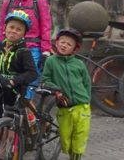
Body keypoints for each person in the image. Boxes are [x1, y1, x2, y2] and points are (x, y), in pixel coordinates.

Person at [0, 10, 37, 122]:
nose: (14, 31)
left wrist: (15, 80)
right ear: (5, 28)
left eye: (19, 29)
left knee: (12, 123)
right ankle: (0, 138)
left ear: (24, 34)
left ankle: (14, 136)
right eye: (11, 27)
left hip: (15, 91)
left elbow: (32, 73)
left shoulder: (24, 51)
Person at [42, 28, 91, 160]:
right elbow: (46, 79)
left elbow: (87, 83)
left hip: (82, 106)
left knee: (79, 137)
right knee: (65, 138)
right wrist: (56, 90)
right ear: (56, 43)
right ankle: (71, 154)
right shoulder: (51, 61)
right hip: (64, 106)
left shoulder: (79, 64)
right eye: (62, 42)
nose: (64, 45)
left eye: (69, 44)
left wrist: (87, 99)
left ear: (75, 49)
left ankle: (76, 157)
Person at [0, 0, 52, 80]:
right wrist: (1, 45)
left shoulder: (39, 2)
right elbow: (2, 27)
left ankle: (28, 98)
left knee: (30, 84)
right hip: (12, 48)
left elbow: (46, 27)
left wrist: (46, 50)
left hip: (32, 49)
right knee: (10, 82)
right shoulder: (7, 3)